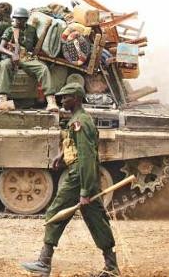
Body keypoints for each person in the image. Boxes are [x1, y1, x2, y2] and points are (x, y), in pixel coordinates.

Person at [21, 82, 119, 277]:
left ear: (75, 98)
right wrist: (62, 156)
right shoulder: (77, 119)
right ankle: (112, 267)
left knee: (54, 213)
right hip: (82, 174)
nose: (62, 100)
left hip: (79, 176)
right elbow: (75, 147)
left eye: (65, 97)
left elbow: (87, 157)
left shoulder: (80, 122)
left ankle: (44, 262)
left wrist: (84, 191)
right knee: (96, 219)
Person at [0, 7, 58, 112]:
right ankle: (3, 100)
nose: (18, 21)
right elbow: (1, 47)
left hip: (25, 57)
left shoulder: (31, 30)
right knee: (5, 65)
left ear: (25, 19)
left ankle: (51, 101)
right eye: (17, 19)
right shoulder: (10, 30)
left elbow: (35, 46)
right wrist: (12, 55)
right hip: (11, 57)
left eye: (21, 19)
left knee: (43, 68)